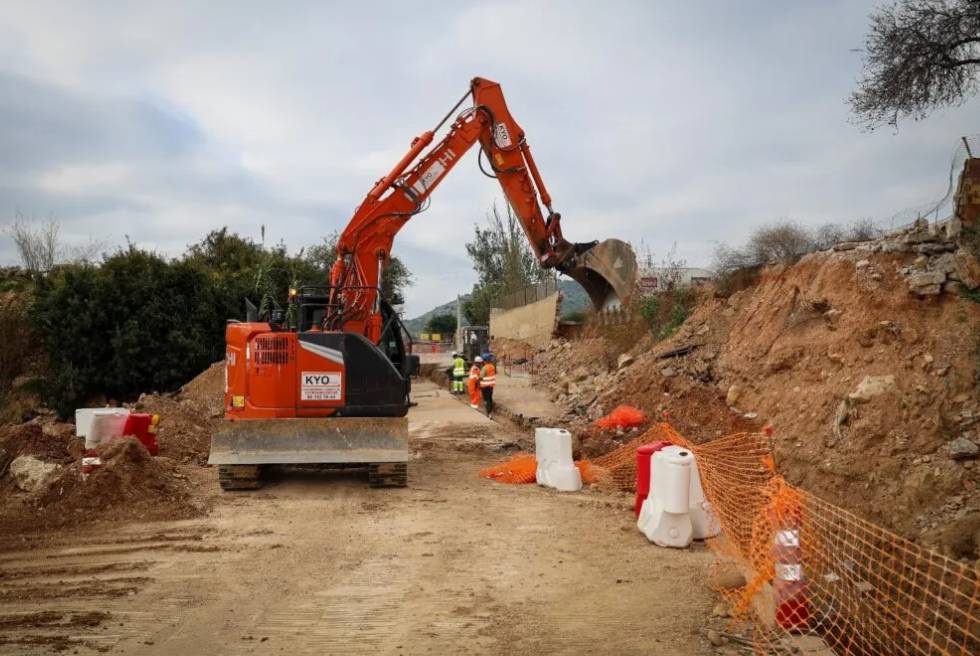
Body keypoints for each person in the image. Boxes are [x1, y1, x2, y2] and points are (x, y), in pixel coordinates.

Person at [480, 354, 496, 419]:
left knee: (486, 400)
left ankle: (488, 412)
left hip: (484, 386)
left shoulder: (484, 368)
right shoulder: (492, 367)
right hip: (491, 386)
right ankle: (490, 411)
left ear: (485, 360)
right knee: (490, 398)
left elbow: (481, 377)